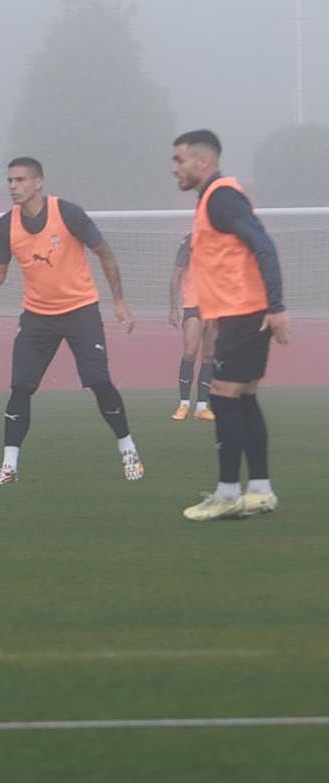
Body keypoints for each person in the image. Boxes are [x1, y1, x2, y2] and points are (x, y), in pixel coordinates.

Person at [0, 156, 142, 485]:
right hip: (37, 315)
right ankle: (9, 466)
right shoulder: (5, 225)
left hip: (80, 310)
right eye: (10, 180)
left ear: (38, 182)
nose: (13, 186)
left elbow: (105, 252)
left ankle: (129, 451)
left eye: (20, 180)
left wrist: (120, 302)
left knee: (98, 380)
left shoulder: (68, 213)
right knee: (20, 387)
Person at [170, 130, 290, 521]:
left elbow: (263, 244)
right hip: (245, 312)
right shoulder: (213, 198)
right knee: (244, 398)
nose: (175, 169)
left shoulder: (220, 197)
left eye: (179, 160)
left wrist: (277, 305)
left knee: (222, 397)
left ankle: (226, 494)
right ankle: (260, 491)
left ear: (202, 162)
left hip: (245, 313)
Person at [167, 233, 217, 421]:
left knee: (209, 355)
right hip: (193, 305)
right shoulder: (190, 241)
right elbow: (177, 274)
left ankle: (202, 407)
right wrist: (173, 308)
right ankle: (184, 404)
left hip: (215, 306)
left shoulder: (223, 240)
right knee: (190, 351)